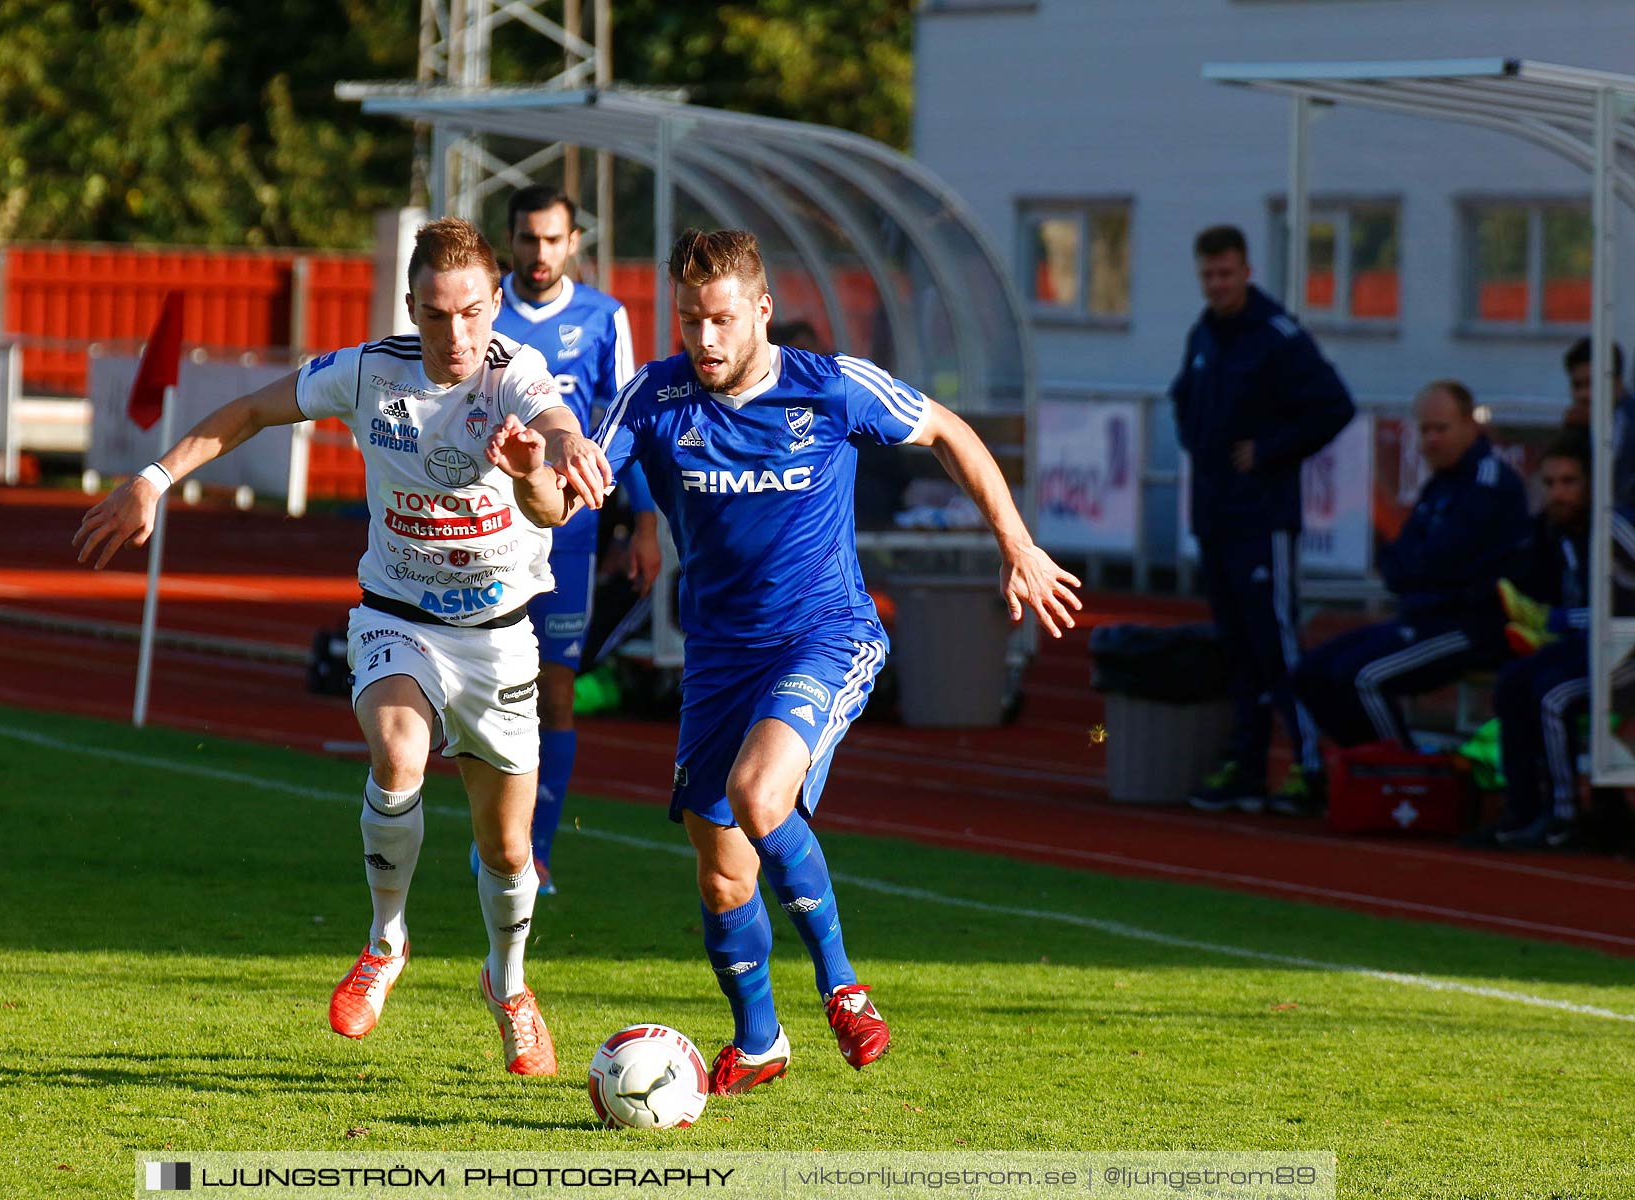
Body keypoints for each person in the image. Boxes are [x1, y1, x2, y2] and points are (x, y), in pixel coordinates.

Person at [486, 227, 1082, 1095]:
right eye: (690, 319)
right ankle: (761, 1040)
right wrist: (526, 474)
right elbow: (556, 504)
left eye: (723, 319)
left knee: (761, 798)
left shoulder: (829, 385)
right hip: (719, 662)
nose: (707, 340)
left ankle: (843, 986)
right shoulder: (653, 397)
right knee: (724, 874)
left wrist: (1016, 542)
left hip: (826, 633)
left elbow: (949, 431)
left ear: (762, 309)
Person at [72, 217, 612, 1074]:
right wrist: (153, 480)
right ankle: (385, 942)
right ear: (411, 307)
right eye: (436, 315)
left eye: (472, 313)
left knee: (508, 850)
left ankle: (507, 985)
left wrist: (552, 454)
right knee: (399, 756)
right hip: (396, 617)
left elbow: (550, 485)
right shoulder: (369, 372)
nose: (455, 334)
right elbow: (251, 409)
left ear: (496, 305)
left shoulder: (518, 375)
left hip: (500, 640)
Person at [487, 185, 660, 895]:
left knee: (555, 693)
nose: (539, 253)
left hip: (570, 534)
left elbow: (626, 425)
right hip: (486, 530)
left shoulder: (604, 318)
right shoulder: (480, 308)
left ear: (573, 243)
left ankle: (535, 854)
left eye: (552, 240)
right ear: (511, 240)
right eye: (528, 239)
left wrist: (645, 522)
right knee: (496, 692)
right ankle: (494, 838)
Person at [1170, 225, 1355, 817]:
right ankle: (1247, 766)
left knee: (1275, 643)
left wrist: (1270, 450)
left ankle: (1310, 767)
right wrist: (1203, 449)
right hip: (1215, 514)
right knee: (1237, 649)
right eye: (1208, 276)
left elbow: (1335, 405)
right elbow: (1183, 399)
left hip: (1262, 517)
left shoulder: (1277, 336)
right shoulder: (1204, 333)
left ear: (1246, 270)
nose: (1218, 285)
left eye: (1226, 273)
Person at [1293, 380, 1532, 751]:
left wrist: (1417, 570)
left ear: (1471, 425)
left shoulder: (1490, 483)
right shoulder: (1440, 486)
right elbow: (1399, 561)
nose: (1431, 440)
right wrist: (1415, 570)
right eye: (1424, 429)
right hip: (1422, 617)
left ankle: (1403, 776)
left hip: (1470, 625)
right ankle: (1365, 771)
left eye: (1441, 428)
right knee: (1312, 673)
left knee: (1362, 677)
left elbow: (1441, 559)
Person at [1486, 432, 1603, 850]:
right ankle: (1522, 807)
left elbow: (1615, 613)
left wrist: (1552, 619)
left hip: (1615, 652)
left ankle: (1566, 815)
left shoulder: (1609, 534)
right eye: (1550, 483)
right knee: (1513, 682)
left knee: (1552, 694)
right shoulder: (1548, 534)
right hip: (1579, 646)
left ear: (1593, 484)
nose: (1558, 493)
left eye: (1569, 482)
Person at [1560, 337, 1635, 509]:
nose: (1583, 395)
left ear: (1617, 383)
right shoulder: (1575, 429)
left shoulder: (1628, 425)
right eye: (1577, 386)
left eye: (1592, 384)